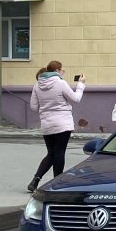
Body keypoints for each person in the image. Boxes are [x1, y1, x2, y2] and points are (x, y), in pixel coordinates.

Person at [28, 61, 85, 192]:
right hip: (62, 124)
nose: (63, 72)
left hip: (47, 124)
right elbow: (76, 98)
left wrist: (46, 108)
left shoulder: (37, 85)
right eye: (63, 70)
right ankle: (57, 182)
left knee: (51, 153)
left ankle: (35, 180)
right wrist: (80, 84)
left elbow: (33, 107)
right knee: (59, 153)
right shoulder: (60, 83)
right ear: (58, 70)